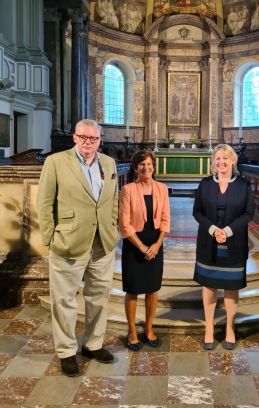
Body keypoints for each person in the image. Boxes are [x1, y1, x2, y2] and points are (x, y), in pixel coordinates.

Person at [36, 119, 119, 377]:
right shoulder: (56, 162)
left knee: (99, 296)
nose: (88, 142)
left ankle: (93, 344)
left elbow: (112, 199)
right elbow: (44, 203)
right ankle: (67, 351)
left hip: (102, 242)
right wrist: (50, 239)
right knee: (63, 300)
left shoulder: (109, 163)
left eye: (93, 139)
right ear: (74, 137)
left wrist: (113, 225)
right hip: (68, 241)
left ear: (99, 140)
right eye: (83, 137)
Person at [193, 144, 254, 350]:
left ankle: (229, 327)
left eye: (225, 158)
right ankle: (209, 328)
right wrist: (213, 230)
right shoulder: (205, 184)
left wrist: (227, 231)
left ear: (233, 161)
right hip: (208, 242)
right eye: (218, 158)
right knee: (209, 286)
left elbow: (248, 214)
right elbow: (198, 212)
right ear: (213, 162)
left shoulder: (244, 185)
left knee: (230, 288)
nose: (221, 162)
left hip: (233, 243)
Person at [119, 150, 170, 351]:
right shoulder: (128, 190)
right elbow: (124, 224)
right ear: (135, 167)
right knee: (132, 290)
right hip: (134, 245)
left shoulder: (162, 188)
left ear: (154, 166)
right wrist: (141, 247)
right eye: (141, 164)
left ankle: (149, 328)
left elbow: (165, 219)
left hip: (155, 243)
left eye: (149, 164)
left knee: (152, 288)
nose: (146, 167)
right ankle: (132, 331)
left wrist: (156, 246)